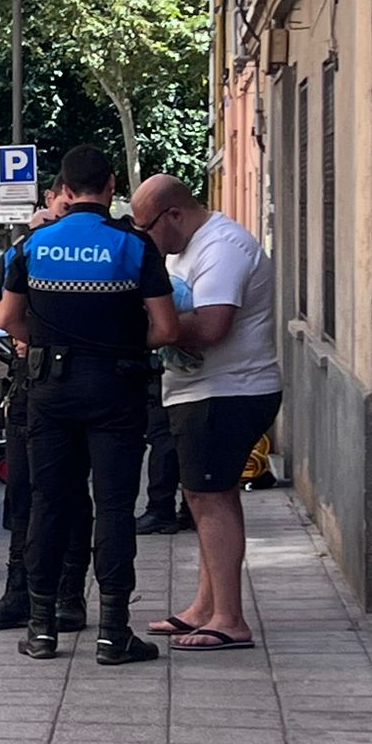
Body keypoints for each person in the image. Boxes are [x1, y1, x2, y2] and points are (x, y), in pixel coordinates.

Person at [0, 145, 179, 664]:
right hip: (115, 391)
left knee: (50, 505)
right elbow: (165, 329)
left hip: (49, 391)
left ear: (65, 188)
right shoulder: (134, 246)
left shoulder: (32, 246)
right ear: (112, 185)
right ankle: (114, 632)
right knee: (116, 507)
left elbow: (8, 319)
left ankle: (41, 629)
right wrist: (122, 345)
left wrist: (50, 342)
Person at [129, 175, 283, 652]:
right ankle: (205, 606)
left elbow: (213, 325)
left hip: (228, 392)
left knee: (209, 498)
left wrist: (146, 334)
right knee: (204, 497)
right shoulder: (183, 248)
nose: (145, 239)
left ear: (173, 214)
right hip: (201, 391)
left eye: (147, 228)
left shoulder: (222, 246)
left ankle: (230, 619)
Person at [0, 184, 93, 634]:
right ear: (50, 199)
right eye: (63, 206)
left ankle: (69, 594)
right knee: (22, 492)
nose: (67, 217)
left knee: (71, 494)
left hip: (73, 386)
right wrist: (26, 313)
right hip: (28, 385)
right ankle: (18, 592)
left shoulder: (94, 251)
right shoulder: (26, 249)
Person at [137, 363, 187, 535]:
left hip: (168, 376)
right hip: (185, 380)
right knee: (179, 440)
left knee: (163, 439)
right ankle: (187, 510)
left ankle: (160, 510)